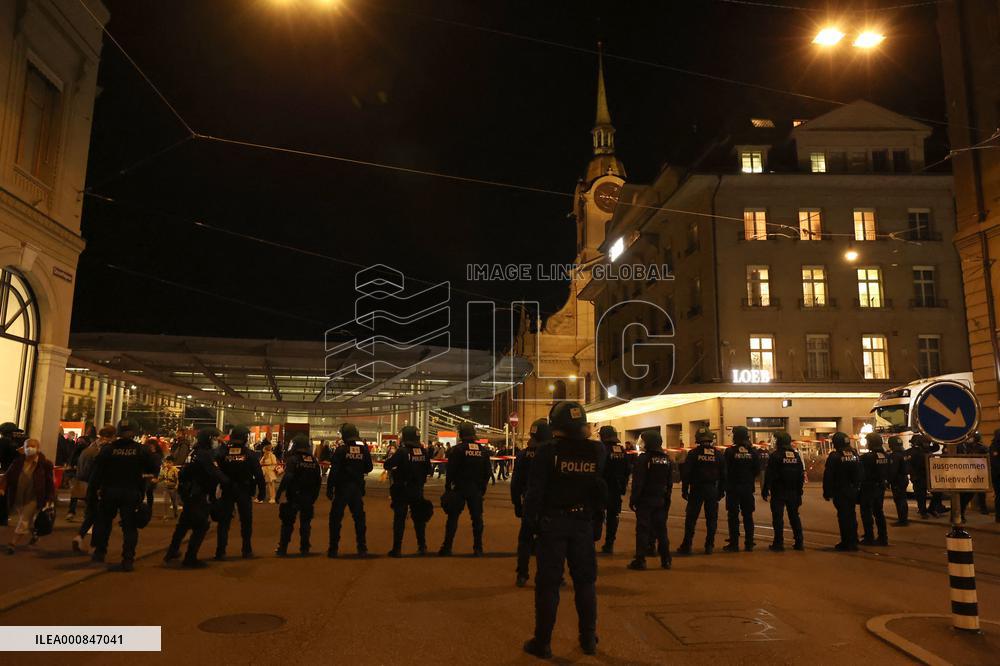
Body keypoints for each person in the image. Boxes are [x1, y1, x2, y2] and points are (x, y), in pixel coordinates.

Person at [522, 401, 606, 658]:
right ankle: (588, 638)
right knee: (585, 582)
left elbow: (535, 494)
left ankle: (543, 642)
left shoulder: (547, 452)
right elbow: (599, 490)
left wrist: (529, 528)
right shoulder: (597, 451)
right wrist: (596, 523)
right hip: (582, 522)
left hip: (553, 524)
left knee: (548, 584)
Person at [89, 419, 157, 571]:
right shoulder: (141, 450)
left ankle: (100, 553)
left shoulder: (108, 449)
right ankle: (127, 559)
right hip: (131, 492)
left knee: (104, 523)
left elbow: (96, 472)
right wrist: (144, 484)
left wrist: (93, 492)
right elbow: (153, 468)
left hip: (110, 491)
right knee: (129, 527)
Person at [164, 427, 230, 568]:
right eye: (215, 439)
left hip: (189, 492)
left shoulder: (193, 451)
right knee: (201, 525)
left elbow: (184, 472)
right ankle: (190, 558)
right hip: (198, 493)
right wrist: (227, 482)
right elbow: (214, 473)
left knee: (184, 524)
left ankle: (172, 551)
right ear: (209, 439)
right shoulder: (204, 454)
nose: (217, 442)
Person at [439, 423, 491, 556]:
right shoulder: (483, 451)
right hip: (475, 489)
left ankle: (447, 547)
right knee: (477, 519)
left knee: (453, 518)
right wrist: (482, 488)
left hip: (459, 488)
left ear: (461, 434)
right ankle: (478, 548)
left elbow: (450, 471)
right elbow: (487, 472)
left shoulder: (457, 450)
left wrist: (448, 488)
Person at [215, 426, 266, 560]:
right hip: (244, 490)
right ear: (245, 437)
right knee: (246, 521)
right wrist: (262, 492)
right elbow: (259, 475)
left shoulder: (222, 453)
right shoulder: (249, 454)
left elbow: (214, 471)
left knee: (224, 522)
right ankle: (246, 549)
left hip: (227, 490)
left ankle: (220, 551)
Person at [510, 418, 551, 586]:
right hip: (549, 503)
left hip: (529, 501)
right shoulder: (552, 453)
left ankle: (522, 574)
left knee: (525, 539)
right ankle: (553, 575)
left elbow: (516, 482)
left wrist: (516, 504)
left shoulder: (523, 454)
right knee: (549, 541)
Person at [627, 431, 673, 571]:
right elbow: (669, 482)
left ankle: (640, 560)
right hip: (660, 498)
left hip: (645, 500)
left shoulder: (643, 459)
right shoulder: (666, 459)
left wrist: (633, 499)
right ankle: (666, 559)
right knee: (661, 530)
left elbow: (638, 482)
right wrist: (667, 499)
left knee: (642, 529)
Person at [327, 423, 373, 558]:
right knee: (359, 518)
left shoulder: (341, 450)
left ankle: (333, 548)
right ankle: (362, 547)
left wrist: (330, 488)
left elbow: (334, 471)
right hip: (357, 488)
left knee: (335, 518)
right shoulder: (363, 449)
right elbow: (369, 468)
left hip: (342, 488)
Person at [385, 425, 433, 557]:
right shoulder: (423, 452)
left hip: (402, 490)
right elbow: (429, 470)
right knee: (419, 519)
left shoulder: (402, 451)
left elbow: (387, 464)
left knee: (399, 519)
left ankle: (397, 549)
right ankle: (422, 546)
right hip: (417, 490)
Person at [1, 438, 55, 554]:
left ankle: (13, 543)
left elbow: (50, 482)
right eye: (28, 446)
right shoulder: (18, 462)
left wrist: (50, 497)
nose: (30, 448)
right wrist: (2, 488)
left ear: (38, 448)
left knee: (24, 519)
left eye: (33, 446)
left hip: (35, 497)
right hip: (19, 496)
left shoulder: (45, 464)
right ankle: (35, 533)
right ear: (23, 449)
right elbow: (7, 476)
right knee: (26, 519)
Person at [678, 427, 726, 555]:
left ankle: (687, 545)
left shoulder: (693, 454)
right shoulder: (718, 454)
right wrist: (721, 491)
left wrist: (684, 489)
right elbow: (723, 475)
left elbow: (686, 473)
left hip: (697, 489)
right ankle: (709, 545)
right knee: (711, 518)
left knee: (691, 518)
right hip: (712, 489)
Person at [275, 433, 322, 556]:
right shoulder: (314, 461)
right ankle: (305, 548)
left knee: (287, 523)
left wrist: (279, 492)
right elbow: (318, 480)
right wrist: (314, 497)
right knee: (306, 523)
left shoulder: (293, 459)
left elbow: (288, 477)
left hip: (294, 496)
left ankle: (282, 548)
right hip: (308, 497)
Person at [71, 425, 113, 553]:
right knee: (99, 517)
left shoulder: (88, 448)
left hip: (83, 484)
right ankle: (94, 546)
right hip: (96, 486)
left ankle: (79, 537)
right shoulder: (103, 450)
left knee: (91, 514)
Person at [761, 431, 805, 551]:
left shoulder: (775, 456)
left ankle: (778, 543)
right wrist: (799, 491)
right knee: (794, 516)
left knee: (778, 518)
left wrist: (765, 489)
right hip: (793, 492)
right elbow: (801, 474)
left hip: (779, 491)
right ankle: (799, 542)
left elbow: (769, 474)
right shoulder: (795, 455)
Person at [722, 425, 760, 552]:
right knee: (748, 515)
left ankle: (734, 543)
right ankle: (749, 543)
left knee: (733, 515)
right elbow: (757, 470)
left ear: (736, 436)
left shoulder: (730, 451)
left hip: (733, 488)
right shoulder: (753, 451)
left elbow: (725, 470)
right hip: (748, 488)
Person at [823, 432, 862, 551]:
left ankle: (847, 542)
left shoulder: (835, 456)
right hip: (853, 490)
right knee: (851, 514)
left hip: (840, 491)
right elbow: (860, 472)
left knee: (844, 516)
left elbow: (828, 475)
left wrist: (827, 492)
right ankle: (854, 539)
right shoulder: (854, 454)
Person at [594, 425, 629, 555]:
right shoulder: (621, 450)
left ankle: (592, 542)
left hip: (602, 488)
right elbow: (627, 469)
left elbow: (597, 468)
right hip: (616, 488)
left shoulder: (601, 449)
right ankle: (609, 544)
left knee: (597, 515)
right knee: (613, 517)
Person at [859, 432, 891, 546]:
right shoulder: (885, 455)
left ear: (871, 443)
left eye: (868, 441)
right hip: (880, 487)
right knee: (879, 512)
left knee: (866, 512)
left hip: (868, 487)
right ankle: (883, 537)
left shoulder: (867, 457)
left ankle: (869, 536)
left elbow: (860, 472)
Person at [0, 423, 24, 528]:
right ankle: (3, 518)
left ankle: (3, 518)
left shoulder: (3, 442)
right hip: (9, 471)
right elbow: (18, 457)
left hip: (4, 470)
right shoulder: (12, 443)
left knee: (3, 494)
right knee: (5, 495)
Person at [906, 435, 931, 518]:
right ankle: (924, 511)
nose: (927, 444)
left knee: (920, 495)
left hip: (917, 476)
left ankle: (924, 510)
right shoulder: (923, 452)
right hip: (921, 476)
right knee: (921, 495)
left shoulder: (911, 451)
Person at [887, 435, 909, 526]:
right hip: (904, 479)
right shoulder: (904, 453)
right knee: (903, 500)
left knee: (899, 501)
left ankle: (902, 520)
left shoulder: (894, 455)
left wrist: (888, 481)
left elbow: (893, 471)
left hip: (897, 481)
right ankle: (904, 519)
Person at [991, 430, 1000, 523]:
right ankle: (998, 516)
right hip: (997, 475)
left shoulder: (994, 444)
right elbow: (995, 462)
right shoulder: (995, 446)